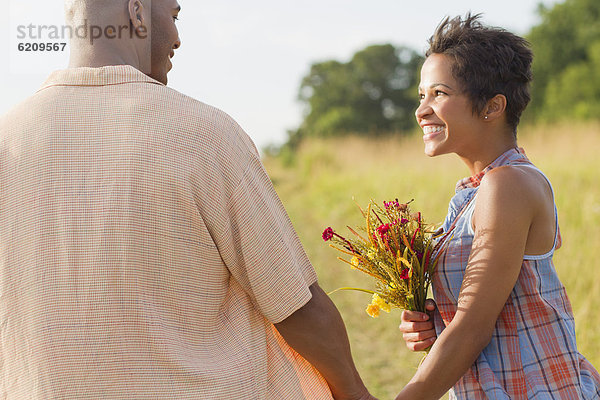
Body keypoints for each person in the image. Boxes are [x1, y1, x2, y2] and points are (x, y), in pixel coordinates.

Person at [0, 1, 376, 399]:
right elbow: (295, 304)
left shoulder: (7, 141)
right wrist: (354, 390)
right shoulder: (203, 135)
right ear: (137, 13)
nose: (178, 38)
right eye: (175, 16)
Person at [396, 14, 600, 399]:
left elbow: (474, 327)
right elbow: (473, 318)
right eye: (421, 96)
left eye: (439, 93)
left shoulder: (507, 184)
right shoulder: (475, 191)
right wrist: (433, 323)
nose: (422, 111)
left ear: (493, 107)